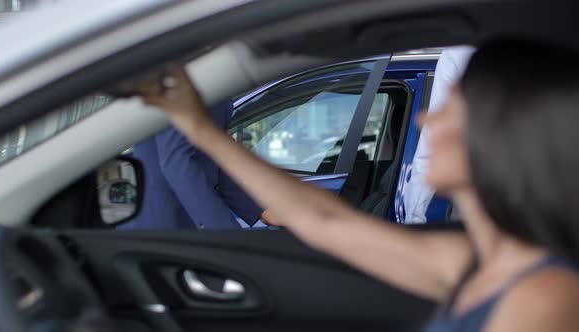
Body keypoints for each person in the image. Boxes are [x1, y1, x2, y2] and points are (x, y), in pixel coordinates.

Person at [140, 39, 579, 332]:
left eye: (450, 109)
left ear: (500, 134)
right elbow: (321, 220)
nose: (427, 119)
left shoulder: (544, 299)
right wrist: (198, 127)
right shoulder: (473, 263)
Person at [120, 102, 265, 230]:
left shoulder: (212, 79)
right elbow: (177, 160)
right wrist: (225, 232)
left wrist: (258, 209)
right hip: (165, 221)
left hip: (179, 219)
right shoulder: (185, 77)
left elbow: (210, 157)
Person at [402, 46, 475, 223]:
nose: (423, 120)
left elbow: (426, 154)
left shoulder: (459, 52)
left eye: (448, 111)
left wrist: (413, 218)